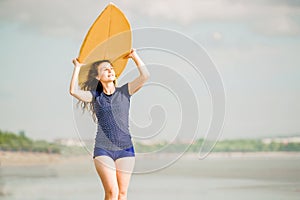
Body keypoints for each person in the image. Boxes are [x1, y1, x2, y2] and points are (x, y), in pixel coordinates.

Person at [69, 49, 150, 200]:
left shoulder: (125, 91)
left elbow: (145, 76)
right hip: (103, 150)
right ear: (97, 76)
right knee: (112, 193)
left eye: (111, 68)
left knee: (122, 194)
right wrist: (77, 67)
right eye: (105, 69)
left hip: (125, 149)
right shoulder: (95, 97)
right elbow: (73, 91)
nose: (110, 71)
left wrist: (134, 56)